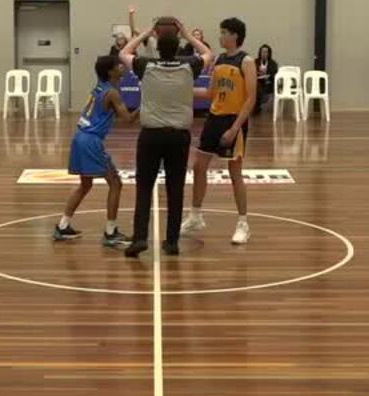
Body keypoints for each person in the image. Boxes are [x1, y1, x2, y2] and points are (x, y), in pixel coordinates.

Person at [119, 20, 211, 258]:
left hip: (150, 135)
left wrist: (147, 33)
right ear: (178, 45)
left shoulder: (145, 65)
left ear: (158, 47)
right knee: (175, 188)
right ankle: (171, 242)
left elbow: (123, 52)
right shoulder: (189, 65)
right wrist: (188, 34)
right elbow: (208, 53)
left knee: (144, 187)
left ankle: (140, 238)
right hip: (179, 137)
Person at [185, 17, 257, 245]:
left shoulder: (246, 61)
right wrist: (182, 88)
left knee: (235, 174)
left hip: (234, 121)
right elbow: (209, 94)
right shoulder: (218, 59)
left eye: (224, 32)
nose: (220, 36)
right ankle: (196, 216)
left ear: (235, 35)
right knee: (198, 167)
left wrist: (235, 128)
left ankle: (243, 224)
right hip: (214, 119)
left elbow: (251, 99)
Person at [55, 55, 136, 246]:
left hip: (80, 137)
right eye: (119, 65)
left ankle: (63, 226)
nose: (122, 67)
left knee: (85, 185)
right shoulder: (112, 93)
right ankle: (110, 232)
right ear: (111, 71)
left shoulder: (99, 87)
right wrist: (147, 104)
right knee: (115, 183)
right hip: (91, 141)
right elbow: (128, 120)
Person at [253, 44, 277, 116]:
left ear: (269, 53)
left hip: (268, 83)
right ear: (260, 53)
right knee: (256, 87)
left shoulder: (273, 63)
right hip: (258, 82)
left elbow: (274, 74)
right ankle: (256, 108)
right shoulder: (255, 62)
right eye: (263, 52)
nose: (264, 54)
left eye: (266, 52)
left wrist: (267, 74)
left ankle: (258, 105)